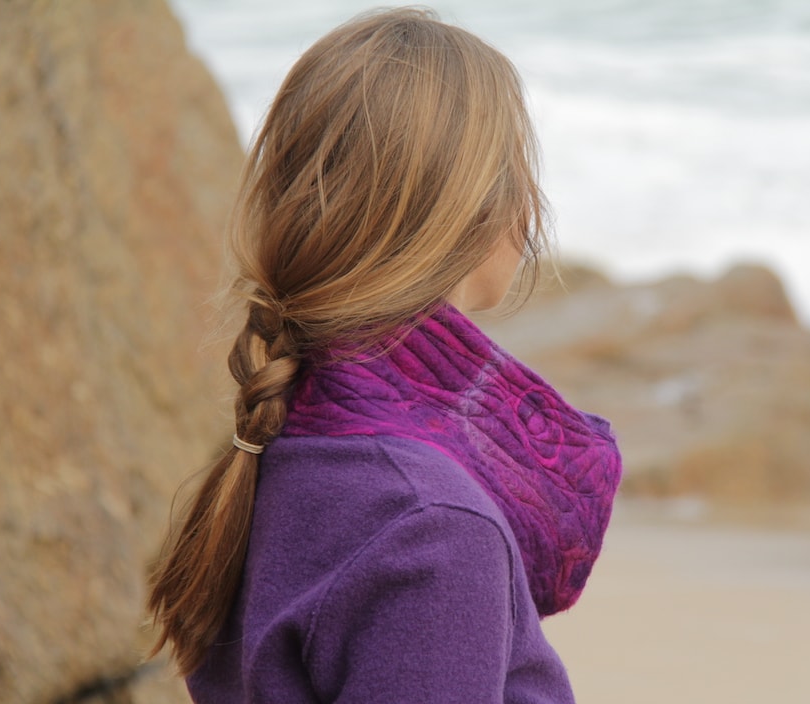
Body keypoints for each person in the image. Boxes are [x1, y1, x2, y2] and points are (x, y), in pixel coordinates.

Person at [147, 8, 622, 703]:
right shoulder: (430, 528)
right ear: (472, 209)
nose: (533, 200)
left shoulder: (283, 449)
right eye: (519, 167)